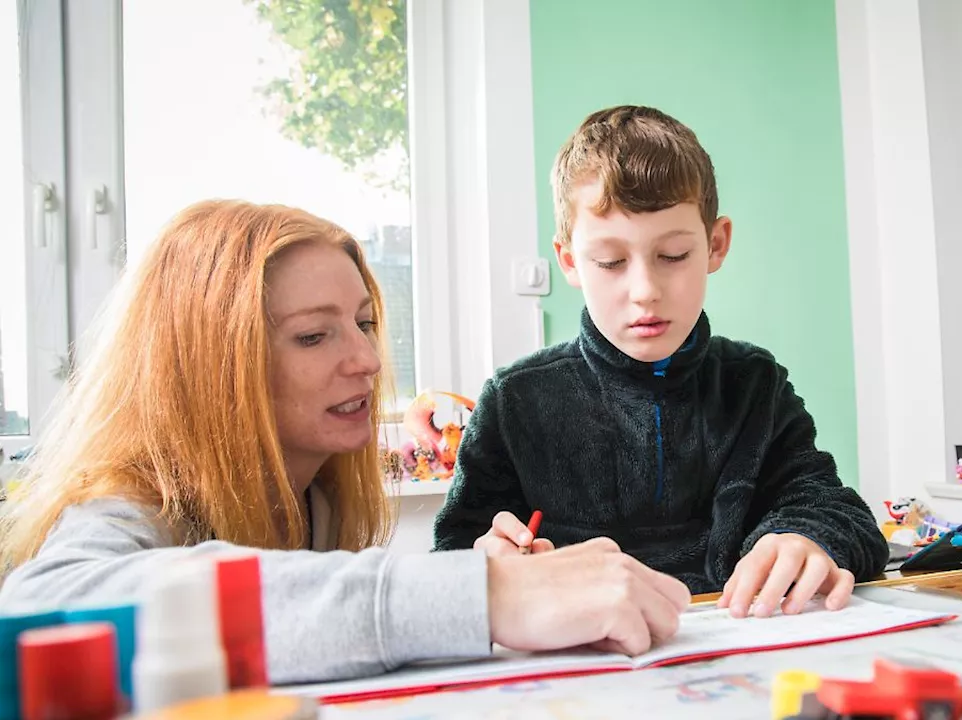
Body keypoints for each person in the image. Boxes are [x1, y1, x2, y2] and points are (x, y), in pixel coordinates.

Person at [0, 200, 689, 685]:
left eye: (363, 323)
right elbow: (40, 610)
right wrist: (482, 594)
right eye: (312, 335)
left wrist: (485, 577)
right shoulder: (131, 502)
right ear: (213, 369)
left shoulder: (315, 500)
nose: (366, 359)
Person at [433, 106, 889, 618]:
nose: (645, 292)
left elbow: (838, 511)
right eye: (609, 262)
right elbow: (451, 561)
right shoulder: (514, 401)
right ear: (569, 262)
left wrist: (807, 537)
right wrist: (484, 569)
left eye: (672, 256)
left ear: (716, 245)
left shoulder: (755, 385)